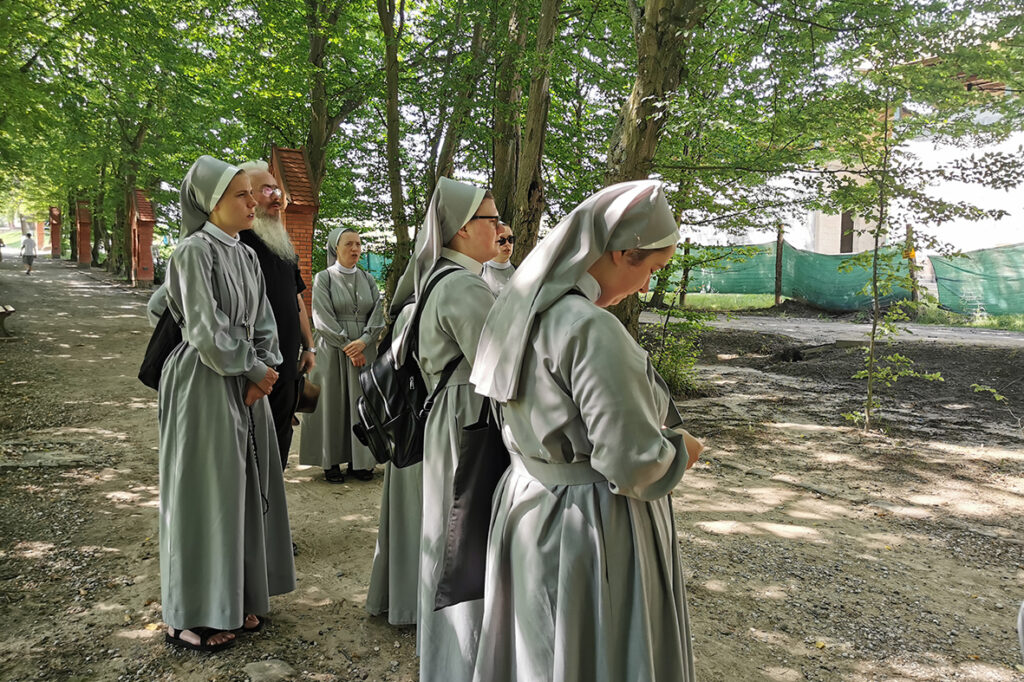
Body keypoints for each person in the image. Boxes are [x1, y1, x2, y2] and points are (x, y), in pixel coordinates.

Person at [469, 180, 703, 682]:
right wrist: (681, 449)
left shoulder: (520, 310)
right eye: (650, 270)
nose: (646, 287)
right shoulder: (591, 329)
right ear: (620, 253)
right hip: (589, 524)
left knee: (539, 649)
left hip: (527, 503)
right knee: (595, 651)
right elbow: (632, 462)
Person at [158, 155, 295, 653]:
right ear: (211, 203)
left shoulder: (247, 254)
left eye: (251, 193)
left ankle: (235, 598)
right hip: (204, 380)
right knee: (204, 495)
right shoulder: (193, 252)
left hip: (245, 380)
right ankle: (188, 614)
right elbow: (203, 329)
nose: (252, 202)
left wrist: (265, 368)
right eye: (241, 195)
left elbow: (265, 322)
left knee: (242, 490)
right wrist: (255, 370)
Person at [385, 176, 500, 680]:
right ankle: (458, 660)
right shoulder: (461, 285)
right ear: (461, 229)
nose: (500, 228)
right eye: (491, 219)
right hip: (466, 418)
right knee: (463, 536)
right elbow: (502, 366)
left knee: (447, 533)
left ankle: (447, 655)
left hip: (451, 415)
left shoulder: (439, 277)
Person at [237, 160, 317, 470]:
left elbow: (296, 298)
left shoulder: (283, 245)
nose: (277, 197)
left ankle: (273, 500)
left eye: (277, 190)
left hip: (287, 366)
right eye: (267, 190)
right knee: (249, 446)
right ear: (248, 197)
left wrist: (309, 346)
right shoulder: (237, 244)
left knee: (280, 437)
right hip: (251, 368)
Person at [298, 227, 385, 482]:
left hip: (364, 349)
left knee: (362, 404)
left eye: (358, 243)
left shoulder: (368, 279)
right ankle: (331, 461)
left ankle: (361, 462)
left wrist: (364, 342)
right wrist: (348, 345)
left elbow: (377, 314)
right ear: (335, 247)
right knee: (332, 405)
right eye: (349, 244)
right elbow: (322, 318)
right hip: (333, 349)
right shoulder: (323, 278)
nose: (355, 248)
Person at [479, 221, 515, 296]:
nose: (507, 244)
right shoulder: (479, 271)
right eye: (501, 240)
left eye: (510, 239)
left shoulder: (519, 272)